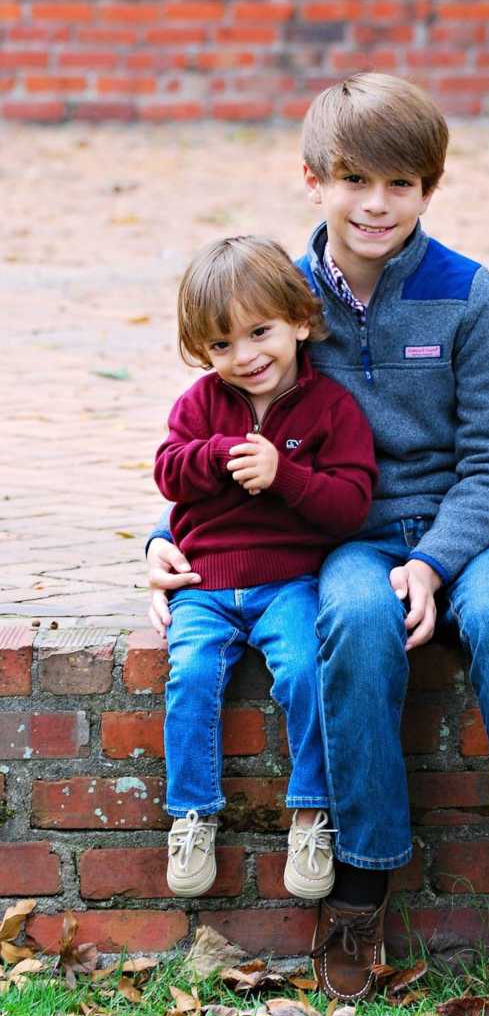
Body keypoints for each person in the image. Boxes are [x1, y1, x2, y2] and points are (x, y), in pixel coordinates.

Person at [148, 74, 489, 1004]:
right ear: (315, 179)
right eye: (355, 180)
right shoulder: (283, 297)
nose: (376, 204)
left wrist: (436, 562)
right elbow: (230, 422)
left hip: (476, 532)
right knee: (348, 616)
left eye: (401, 184)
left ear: (430, 188)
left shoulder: (467, 293)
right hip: (349, 532)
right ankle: (363, 877)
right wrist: (166, 536)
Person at [154, 235, 376, 902]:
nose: (244, 357)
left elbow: (352, 505)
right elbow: (167, 471)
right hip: (206, 583)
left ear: (299, 323)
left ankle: (312, 813)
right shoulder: (200, 405)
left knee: (309, 670)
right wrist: (218, 452)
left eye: (259, 333)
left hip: (289, 581)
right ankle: (191, 813)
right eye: (222, 345)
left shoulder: (330, 408)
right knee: (190, 674)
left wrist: (287, 475)